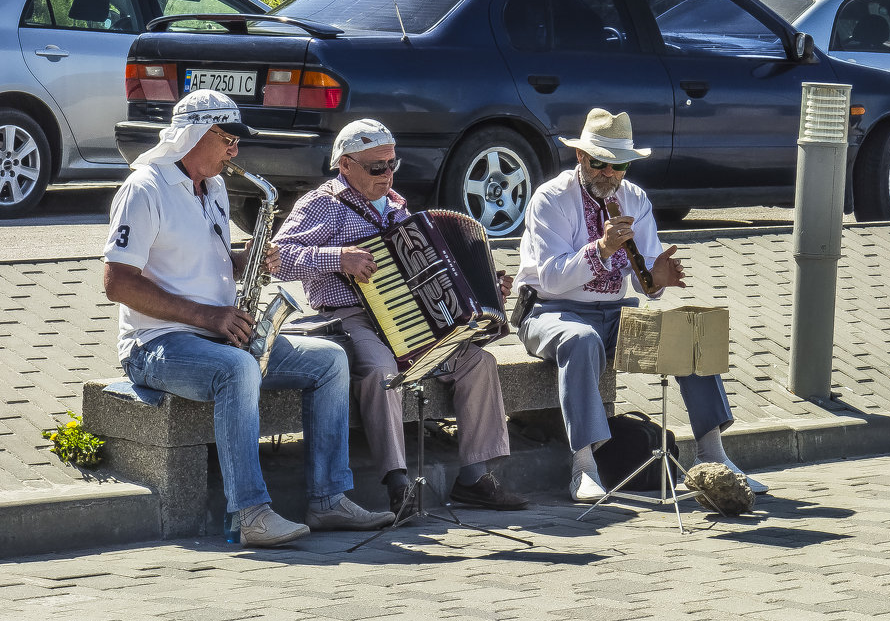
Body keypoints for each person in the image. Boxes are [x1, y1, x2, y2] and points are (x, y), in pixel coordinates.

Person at [103, 90, 394, 548]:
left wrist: (248, 261)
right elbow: (117, 282)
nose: (235, 151)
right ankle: (250, 513)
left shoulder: (214, 186)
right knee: (238, 368)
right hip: (156, 344)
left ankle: (328, 499)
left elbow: (200, 261)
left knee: (330, 360)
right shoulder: (144, 188)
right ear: (195, 135)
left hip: (215, 334)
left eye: (237, 141)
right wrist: (208, 315)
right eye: (228, 139)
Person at [272, 118, 528, 515]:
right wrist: (337, 258)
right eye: (377, 167)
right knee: (380, 371)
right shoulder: (321, 203)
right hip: (351, 314)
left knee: (478, 361)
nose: (387, 174)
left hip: (413, 316)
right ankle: (398, 484)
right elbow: (278, 257)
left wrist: (486, 288)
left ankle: (474, 477)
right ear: (345, 165)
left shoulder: (397, 205)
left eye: (392, 164)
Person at [514, 108, 770, 502]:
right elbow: (550, 278)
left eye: (620, 166)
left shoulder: (635, 199)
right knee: (580, 340)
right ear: (581, 157)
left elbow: (644, 279)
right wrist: (601, 249)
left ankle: (714, 456)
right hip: (550, 312)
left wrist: (657, 281)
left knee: (688, 334)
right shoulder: (551, 198)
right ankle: (583, 467)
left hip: (615, 312)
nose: (609, 175)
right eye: (600, 163)